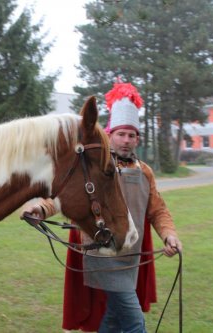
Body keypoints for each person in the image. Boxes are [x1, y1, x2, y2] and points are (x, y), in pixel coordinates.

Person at [23, 81, 182, 333]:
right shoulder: (96, 168)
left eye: (132, 135)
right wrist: (41, 209)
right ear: (109, 135)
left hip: (130, 256)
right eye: (121, 134)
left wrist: (169, 234)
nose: (126, 140)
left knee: (112, 319)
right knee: (133, 322)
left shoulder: (146, 173)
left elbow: (158, 210)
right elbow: (67, 197)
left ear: (137, 139)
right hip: (101, 256)